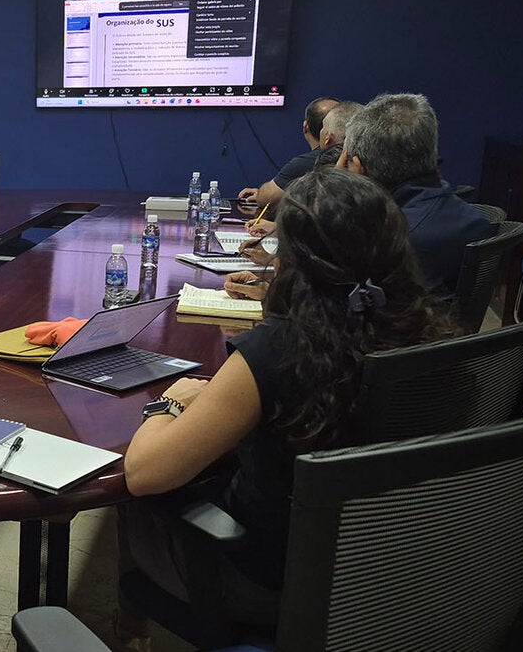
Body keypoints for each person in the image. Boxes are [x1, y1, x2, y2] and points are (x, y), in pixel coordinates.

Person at [118, 167, 460, 645]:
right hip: (385, 572)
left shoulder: (278, 349)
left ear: (296, 262)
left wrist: (172, 406)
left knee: (132, 499)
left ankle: (130, 622)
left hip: (266, 586)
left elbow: (144, 473)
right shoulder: (431, 335)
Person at [338, 93, 492, 297]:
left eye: (346, 161)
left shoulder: (383, 241)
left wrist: (335, 191)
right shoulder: (477, 223)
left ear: (358, 168)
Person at [244, 101, 362, 237]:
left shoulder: (317, 166)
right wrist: (277, 229)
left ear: (328, 138)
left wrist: (270, 258)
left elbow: (329, 234)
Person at [238, 96, 340, 209]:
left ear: (305, 127)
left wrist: (261, 195)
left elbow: (266, 198)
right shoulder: (352, 157)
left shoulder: (307, 163)